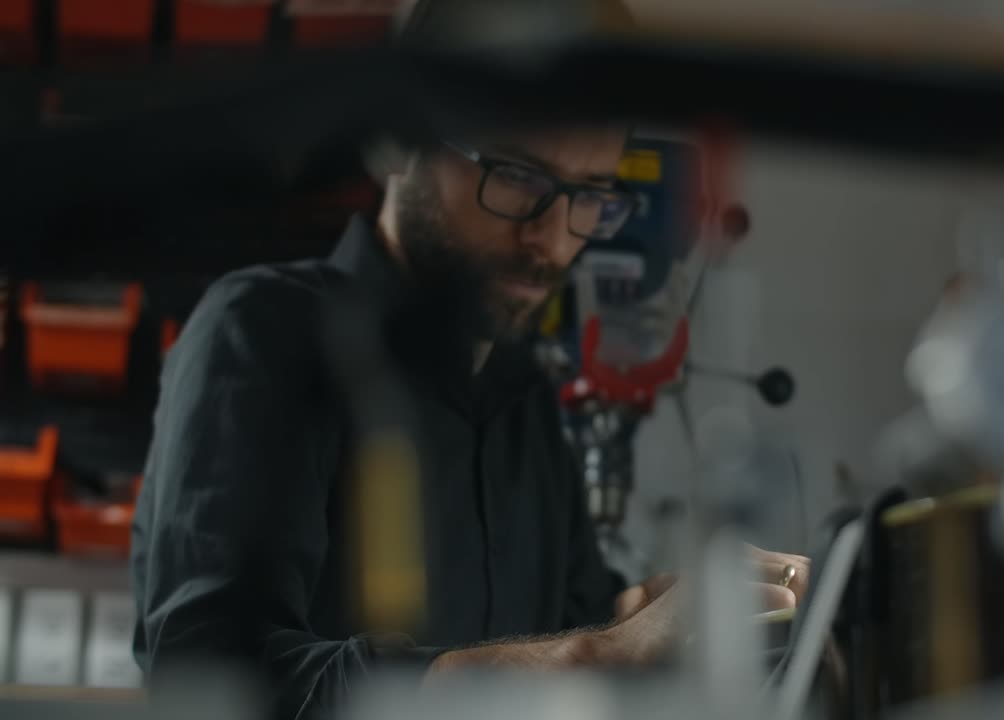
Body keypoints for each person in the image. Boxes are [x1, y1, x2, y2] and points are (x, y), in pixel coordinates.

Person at [130, 2, 810, 718]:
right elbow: (207, 681)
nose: (551, 238)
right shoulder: (265, 333)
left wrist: (657, 614)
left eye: (588, 196)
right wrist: (591, 656)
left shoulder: (527, 402)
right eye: (518, 174)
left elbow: (577, 622)